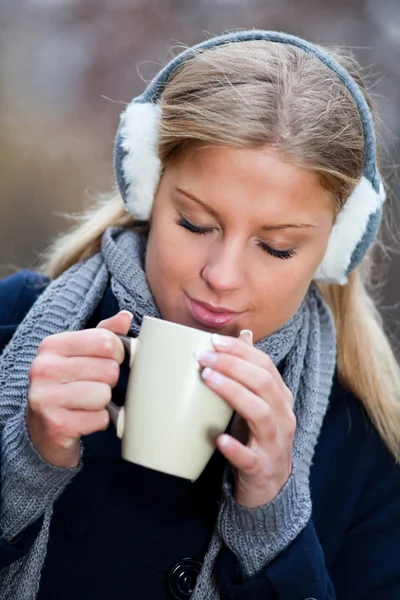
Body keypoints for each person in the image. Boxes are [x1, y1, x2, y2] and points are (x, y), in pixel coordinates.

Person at [0, 29, 399, 600]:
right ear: (149, 192)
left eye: (278, 247)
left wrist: (272, 522)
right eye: (194, 223)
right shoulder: (15, 325)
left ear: (333, 251)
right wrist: (22, 466)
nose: (223, 276)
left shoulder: (364, 449)